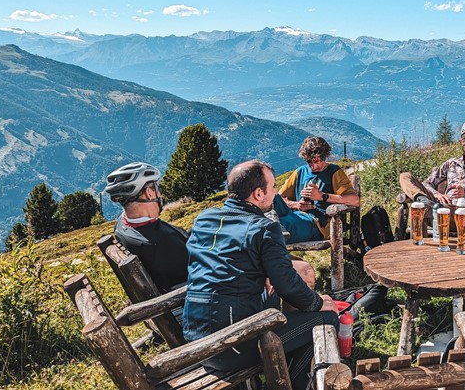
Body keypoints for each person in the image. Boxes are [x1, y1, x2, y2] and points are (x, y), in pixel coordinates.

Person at [184, 160, 339, 390]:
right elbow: (287, 284)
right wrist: (319, 303)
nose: (276, 192)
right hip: (231, 346)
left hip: (195, 341)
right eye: (273, 187)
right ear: (258, 193)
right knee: (325, 319)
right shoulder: (264, 227)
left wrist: (264, 271)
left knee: (275, 299)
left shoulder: (204, 219)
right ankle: (290, 385)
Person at [105, 162, 189, 293]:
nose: (160, 194)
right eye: (158, 188)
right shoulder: (163, 242)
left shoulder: (122, 225)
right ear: (149, 193)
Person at [398, 119, 465, 206]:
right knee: (405, 176)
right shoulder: (452, 163)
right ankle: (422, 200)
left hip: (463, 212)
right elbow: (427, 183)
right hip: (439, 206)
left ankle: (425, 205)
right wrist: (437, 194)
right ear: (463, 142)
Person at [277, 137, 359, 243]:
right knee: (272, 201)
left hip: (317, 223)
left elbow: (354, 200)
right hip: (296, 215)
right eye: (310, 161)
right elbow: (279, 198)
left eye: (318, 161)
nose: (314, 165)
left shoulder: (333, 172)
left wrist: (322, 196)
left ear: (324, 157)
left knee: (276, 226)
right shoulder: (300, 172)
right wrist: (296, 205)